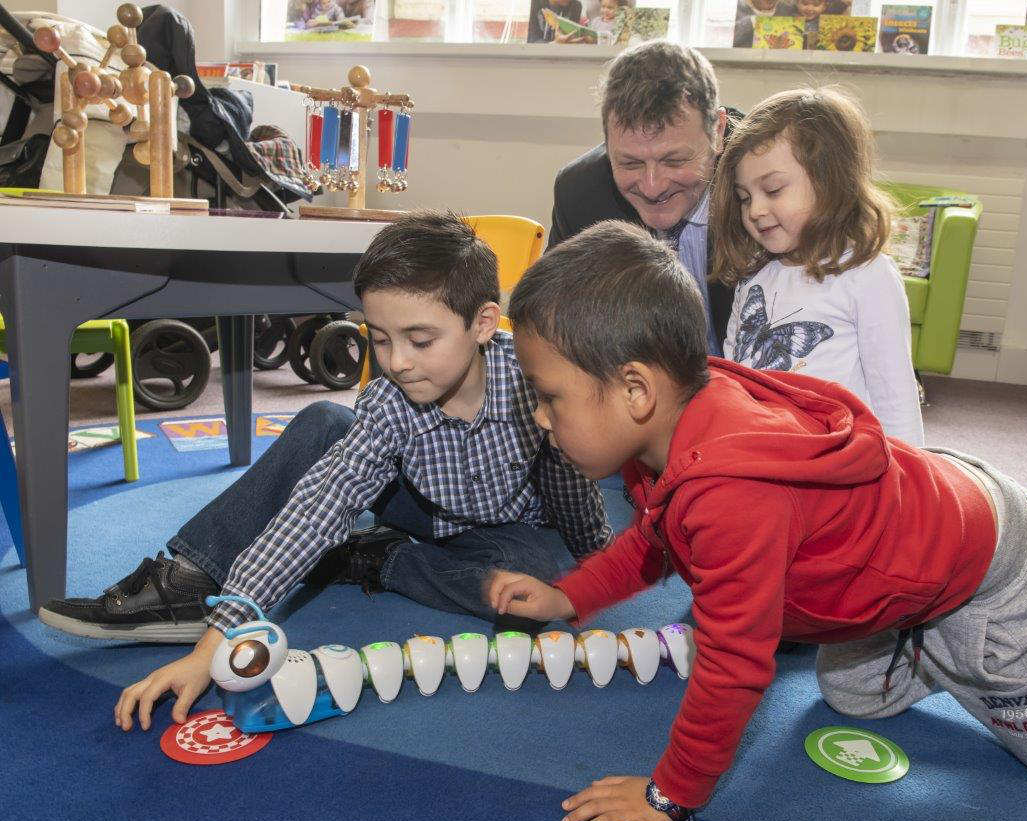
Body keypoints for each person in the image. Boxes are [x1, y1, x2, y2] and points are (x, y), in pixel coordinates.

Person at [487, 220, 1027, 821]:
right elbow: (654, 540)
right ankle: (986, 640)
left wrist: (672, 793)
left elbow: (733, 667)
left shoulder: (729, 491)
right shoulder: (678, 422)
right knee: (849, 695)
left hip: (986, 565)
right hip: (926, 523)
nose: (541, 418)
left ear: (634, 389)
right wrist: (571, 592)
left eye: (550, 397)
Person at [38, 211, 612, 732]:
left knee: (532, 591)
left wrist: (600, 557)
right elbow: (319, 506)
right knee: (321, 422)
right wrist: (214, 644)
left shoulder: (529, 383)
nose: (397, 362)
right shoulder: (390, 401)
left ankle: (376, 558)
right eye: (380, 339)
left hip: (505, 528)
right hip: (416, 502)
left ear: (484, 323)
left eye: (420, 339)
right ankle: (194, 577)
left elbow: (567, 477)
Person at [712, 88, 923, 446]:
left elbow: (896, 400)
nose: (755, 210)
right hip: (766, 455)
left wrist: (911, 489)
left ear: (829, 182)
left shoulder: (866, 277)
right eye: (745, 197)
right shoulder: (753, 278)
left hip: (838, 468)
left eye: (774, 190)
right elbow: (738, 384)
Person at [546, 41, 734, 351]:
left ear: (718, 132)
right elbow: (558, 327)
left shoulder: (766, 181)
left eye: (674, 161)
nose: (652, 187)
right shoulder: (580, 194)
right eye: (630, 163)